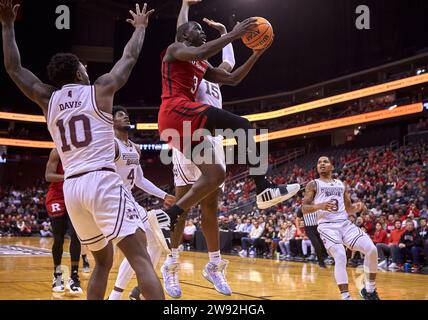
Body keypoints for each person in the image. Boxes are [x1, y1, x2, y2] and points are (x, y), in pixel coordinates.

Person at [0, 1, 164, 299]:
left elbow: (13, 68)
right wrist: (140, 28)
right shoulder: (99, 90)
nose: (87, 69)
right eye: (83, 67)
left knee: (102, 262)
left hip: (73, 189)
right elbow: (129, 56)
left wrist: (7, 25)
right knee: (140, 257)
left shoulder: (46, 98)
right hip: (102, 180)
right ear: (77, 74)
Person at [158, 2, 300, 238]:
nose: (202, 32)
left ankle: (169, 216)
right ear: (184, 34)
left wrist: (255, 54)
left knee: (216, 175)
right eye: (197, 29)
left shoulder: (201, 64)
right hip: (175, 112)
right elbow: (199, 50)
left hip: (183, 125)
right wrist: (232, 33)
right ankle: (263, 187)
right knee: (243, 126)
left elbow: (232, 78)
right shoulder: (176, 49)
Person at [159, 0, 239, 298]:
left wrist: (228, 32)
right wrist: (184, 6)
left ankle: (214, 265)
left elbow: (229, 67)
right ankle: (171, 265)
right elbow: (181, 34)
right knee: (182, 207)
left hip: (212, 138)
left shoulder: (209, 70)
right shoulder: (191, 65)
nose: (202, 37)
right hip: (188, 131)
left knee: (210, 207)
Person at [108, 106, 176, 300]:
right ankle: (117, 294)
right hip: (113, 200)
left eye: (125, 113)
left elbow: (139, 180)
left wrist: (164, 195)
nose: (125, 115)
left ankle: (136, 291)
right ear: (111, 121)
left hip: (129, 200)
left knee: (154, 243)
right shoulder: (109, 144)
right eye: (119, 114)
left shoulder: (135, 148)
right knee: (140, 247)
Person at [302, 156, 380, 300]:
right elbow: (304, 208)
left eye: (325, 162)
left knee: (372, 249)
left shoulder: (340, 184)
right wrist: (319, 205)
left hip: (344, 223)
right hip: (327, 226)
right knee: (340, 255)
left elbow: (348, 208)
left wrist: (357, 208)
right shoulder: (313, 184)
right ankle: (346, 297)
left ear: (332, 166)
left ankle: (369, 290)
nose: (322, 164)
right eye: (319, 162)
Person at [45, 148, 84, 294]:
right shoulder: (56, 152)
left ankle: (74, 276)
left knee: (76, 236)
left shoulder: (81, 152)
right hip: (57, 196)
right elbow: (48, 176)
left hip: (74, 195)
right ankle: (57, 276)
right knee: (59, 238)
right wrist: (68, 176)